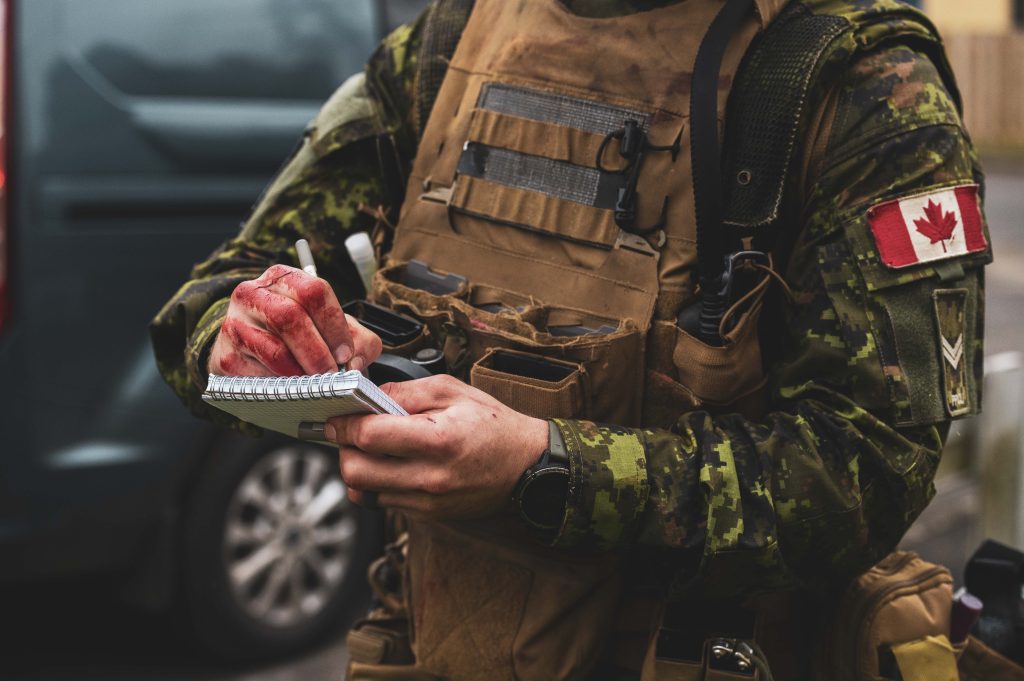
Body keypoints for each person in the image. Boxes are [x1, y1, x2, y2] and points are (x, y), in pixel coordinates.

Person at [151, 0, 993, 678]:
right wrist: (247, 337)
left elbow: (866, 472)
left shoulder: (856, 87)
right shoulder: (447, 46)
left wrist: (545, 467)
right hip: (426, 646)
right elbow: (209, 299)